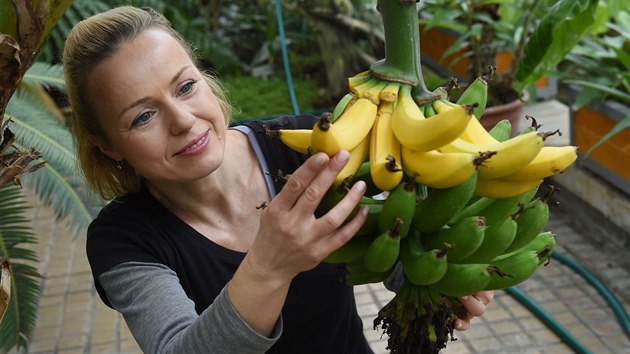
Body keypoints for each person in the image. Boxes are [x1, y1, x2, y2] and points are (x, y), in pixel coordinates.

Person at [63, 6, 494, 354]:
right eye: (143, 116)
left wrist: (436, 281)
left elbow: (388, 241)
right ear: (107, 146)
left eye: (186, 87)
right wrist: (269, 265)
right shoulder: (123, 240)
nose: (182, 121)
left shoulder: (308, 146)